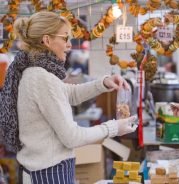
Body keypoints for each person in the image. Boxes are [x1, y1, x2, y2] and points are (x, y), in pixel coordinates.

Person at [0, 11, 137, 184]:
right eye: (65, 38)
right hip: (47, 174)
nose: (70, 45)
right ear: (47, 40)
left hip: (47, 170)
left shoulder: (38, 73)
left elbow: (69, 94)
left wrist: (104, 83)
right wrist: (114, 127)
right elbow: (72, 137)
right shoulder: (40, 77)